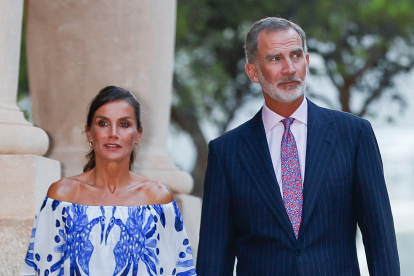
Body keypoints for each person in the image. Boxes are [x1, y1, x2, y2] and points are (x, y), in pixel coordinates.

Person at [196, 17, 399, 275]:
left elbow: (380, 235)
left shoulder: (354, 134)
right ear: (253, 71)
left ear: (308, 61)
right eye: (275, 58)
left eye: (296, 55)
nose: (290, 68)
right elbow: (214, 255)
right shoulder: (227, 152)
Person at [22, 86, 197, 276]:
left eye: (124, 124)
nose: (113, 133)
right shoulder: (63, 196)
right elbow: (40, 269)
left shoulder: (157, 200)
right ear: (89, 132)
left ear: (138, 134)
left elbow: (179, 270)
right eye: (103, 123)